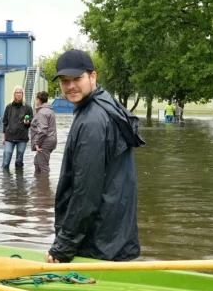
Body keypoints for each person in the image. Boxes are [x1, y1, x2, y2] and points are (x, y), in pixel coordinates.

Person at [46, 49, 145, 264]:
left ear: (93, 76)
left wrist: (63, 245)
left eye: (77, 78)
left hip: (98, 244)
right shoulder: (103, 105)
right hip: (115, 238)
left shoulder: (93, 121)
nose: (70, 86)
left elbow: (86, 192)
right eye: (64, 80)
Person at [1, 86, 34, 170]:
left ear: (23, 94)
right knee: (6, 161)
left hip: (22, 137)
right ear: (14, 94)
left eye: (20, 92)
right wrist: (3, 137)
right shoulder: (9, 107)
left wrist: (27, 123)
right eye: (17, 92)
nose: (19, 94)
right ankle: (6, 181)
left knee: (19, 162)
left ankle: (19, 181)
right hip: (9, 136)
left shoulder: (27, 108)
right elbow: (5, 122)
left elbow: (31, 122)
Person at [30, 91, 57, 176]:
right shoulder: (49, 110)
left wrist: (37, 143)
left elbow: (42, 130)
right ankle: (38, 186)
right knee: (37, 162)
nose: (35, 101)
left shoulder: (42, 113)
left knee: (43, 166)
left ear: (38, 100)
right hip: (51, 140)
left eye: (36, 99)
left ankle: (45, 186)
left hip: (45, 141)